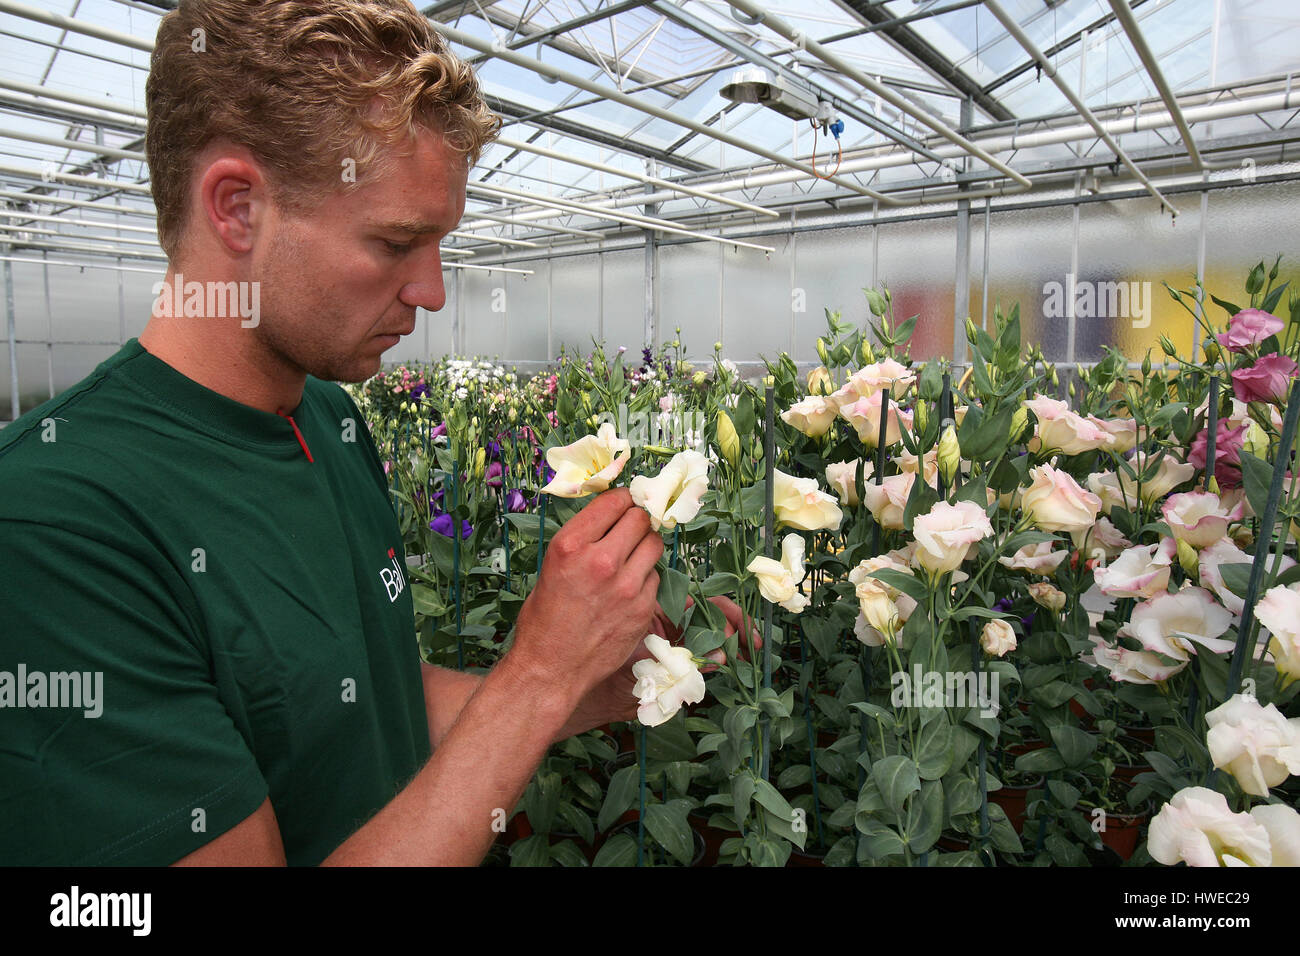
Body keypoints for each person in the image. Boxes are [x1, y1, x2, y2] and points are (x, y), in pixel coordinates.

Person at [0, 0, 749, 866]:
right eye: (397, 241)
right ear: (237, 208)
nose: (431, 292)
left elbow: (379, 706)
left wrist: (588, 682)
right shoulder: (53, 525)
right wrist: (537, 675)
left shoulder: (327, 419)